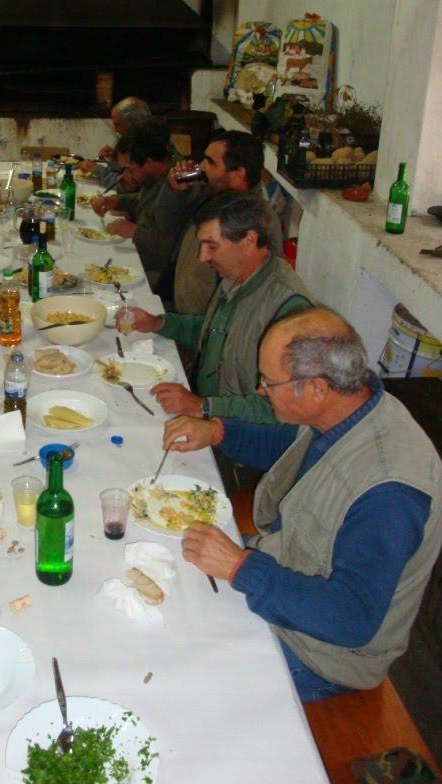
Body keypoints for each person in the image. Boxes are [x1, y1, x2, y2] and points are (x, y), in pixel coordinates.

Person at [163, 308, 442, 702]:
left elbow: (352, 618)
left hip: (321, 653)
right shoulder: (347, 408)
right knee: (165, 578)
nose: (261, 390)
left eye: (268, 382)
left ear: (316, 388)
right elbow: (287, 445)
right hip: (284, 568)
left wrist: (241, 567)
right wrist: (217, 431)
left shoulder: (390, 493)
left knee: (182, 679)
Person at [121, 191, 311, 423]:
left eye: (211, 246)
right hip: (204, 405)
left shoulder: (289, 310)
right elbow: (215, 333)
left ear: (249, 240)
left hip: (233, 430)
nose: (202, 257)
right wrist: (159, 323)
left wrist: (203, 406)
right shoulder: (237, 275)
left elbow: (285, 407)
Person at [161, 130, 283, 316]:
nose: (201, 166)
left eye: (211, 162)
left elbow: (246, 300)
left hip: (199, 324)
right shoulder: (212, 195)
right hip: (179, 308)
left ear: (238, 174)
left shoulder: (256, 222)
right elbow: (165, 227)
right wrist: (175, 191)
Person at [89, 119, 191, 288]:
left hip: (157, 276)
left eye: (129, 169)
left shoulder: (179, 184)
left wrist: (134, 231)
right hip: (140, 257)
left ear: (149, 162)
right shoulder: (154, 177)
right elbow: (145, 203)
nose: (125, 176)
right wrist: (117, 201)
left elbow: (167, 248)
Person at [77, 96, 151, 189]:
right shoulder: (139, 138)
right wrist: (115, 159)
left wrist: (97, 170)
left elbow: (125, 186)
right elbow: (123, 172)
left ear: (132, 125)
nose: (115, 130)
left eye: (117, 125)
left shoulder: (146, 147)